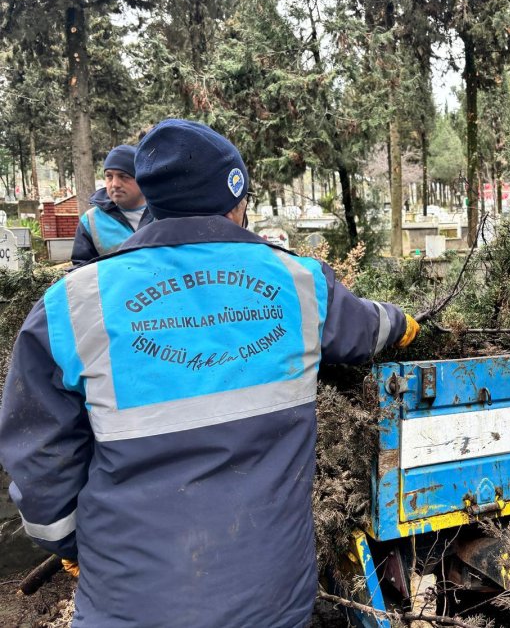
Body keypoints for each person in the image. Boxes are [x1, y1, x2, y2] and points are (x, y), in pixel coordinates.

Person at [0, 119, 419, 627]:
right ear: (235, 197)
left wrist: (67, 540)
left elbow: (39, 457)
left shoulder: (72, 305)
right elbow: (365, 328)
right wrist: (403, 324)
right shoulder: (299, 283)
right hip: (272, 599)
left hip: (129, 602)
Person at [70, 145, 152, 265]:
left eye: (124, 176)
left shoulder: (164, 213)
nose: (115, 184)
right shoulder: (91, 221)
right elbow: (81, 269)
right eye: (109, 176)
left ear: (141, 178)